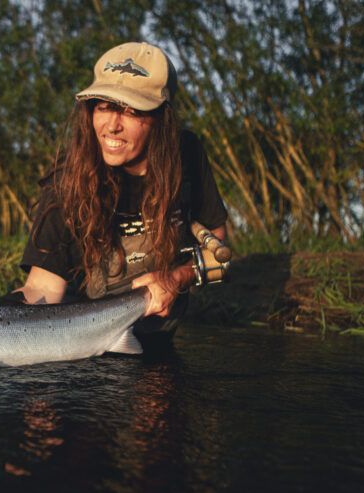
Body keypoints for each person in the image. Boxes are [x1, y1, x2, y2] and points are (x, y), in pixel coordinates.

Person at [15, 42, 228, 344]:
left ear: (160, 118)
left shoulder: (187, 155)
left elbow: (220, 250)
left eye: (131, 111)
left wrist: (178, 278)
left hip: (158, 339)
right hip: (82, 348)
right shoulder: (67, 180)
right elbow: (43, 289)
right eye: (104, 107)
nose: (112, 126)